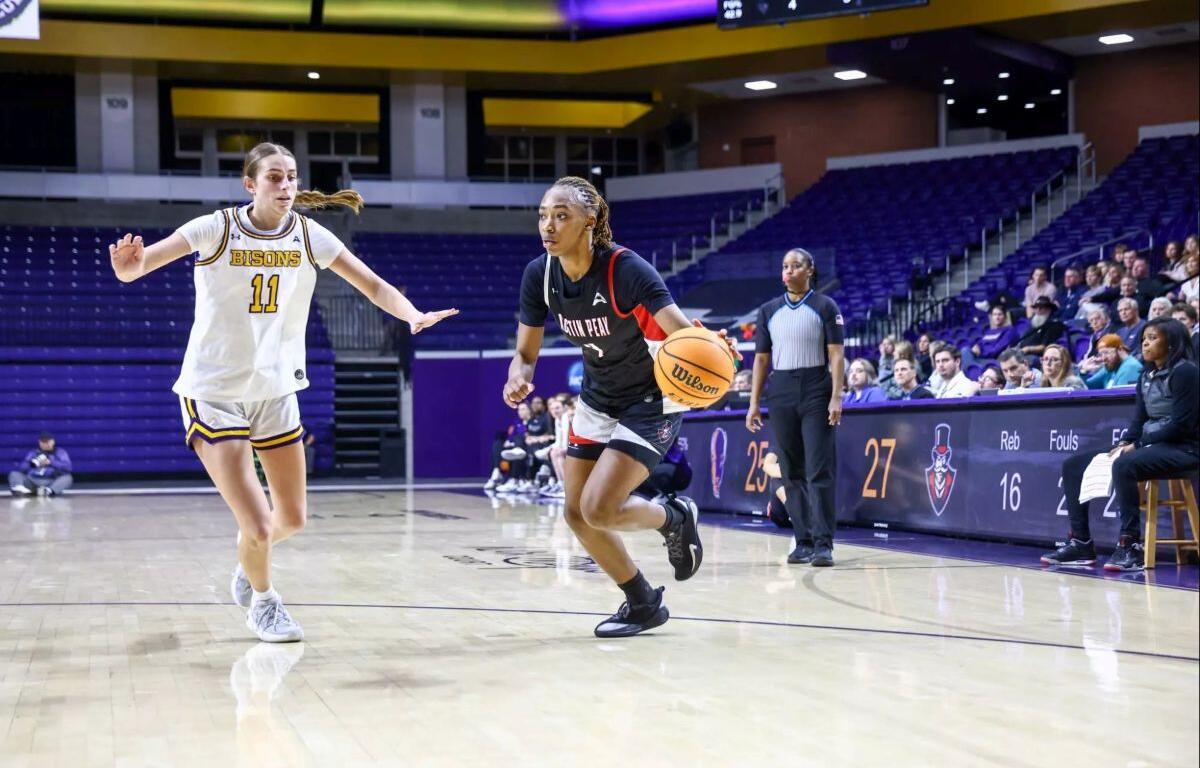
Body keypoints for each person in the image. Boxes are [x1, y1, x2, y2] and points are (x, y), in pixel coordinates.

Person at [109, 142, 456, 643]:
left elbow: (375, 286)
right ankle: (265, 604)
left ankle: (249, 560)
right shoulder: (215, 228)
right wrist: (125, 264)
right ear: (250, 184)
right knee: (256, 521)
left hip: (273, 390)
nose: (286, 186)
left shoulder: (309, 234)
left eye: (291, 177)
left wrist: (412, 315)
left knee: (290, 519)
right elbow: (137, 267)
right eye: (274, 177)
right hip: (214, 389)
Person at [505, 175, 739, 638]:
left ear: (589, 222)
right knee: (575, 512)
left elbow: (677, 331)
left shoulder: (626, 270)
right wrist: (519, 376)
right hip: (599, 397)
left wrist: (711, 347)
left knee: (599, 507)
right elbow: (526, 353)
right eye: (543, 216)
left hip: (653, 397)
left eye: (561, 216)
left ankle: (674, 517)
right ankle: (643, 603)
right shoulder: (541, 274)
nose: (547, 226)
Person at [1042, 319, 1199, 571]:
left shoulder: (1186, 372)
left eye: (1153, 337)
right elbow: (1139, 419)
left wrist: (1137, 444)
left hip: (1185, 448)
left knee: (1125, 464)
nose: (1145, 342)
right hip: (1149, 444)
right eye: (1144, 338)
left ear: (1172, 342)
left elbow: (1183, 424)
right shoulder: (1145, 375)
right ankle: (1081, 543)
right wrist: (1126, 441)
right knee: (1074, 465)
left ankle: (1130, 546)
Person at [746, 248, 845, 568]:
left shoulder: (825, 306)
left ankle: (823, 543)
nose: (789, 271)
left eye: (796, 265)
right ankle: (802, 541)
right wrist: (754, 403)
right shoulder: (768, 310)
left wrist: (836, 396)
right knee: (792, 471)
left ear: (810, 270)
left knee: (819, 469)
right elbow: (761, 359)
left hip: (817, 388)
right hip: (782, 391)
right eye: (785, 266)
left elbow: (837, 355)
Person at [8, 432, 73, 497]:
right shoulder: (33, 453)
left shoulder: (60, 453)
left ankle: (49, 491)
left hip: (51, 480)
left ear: (53, 442)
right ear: (39, 442)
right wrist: (32, 464)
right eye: (43, 442)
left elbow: (68, 467)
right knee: (14, 474)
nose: (45, 444)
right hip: (33, 480)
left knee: (67, 478)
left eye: (48, 442)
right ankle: (19, 489)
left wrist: (51, 462)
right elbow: (22, 468)